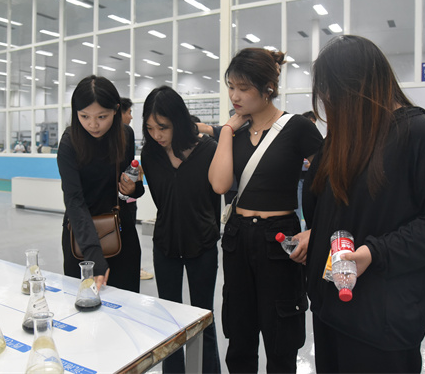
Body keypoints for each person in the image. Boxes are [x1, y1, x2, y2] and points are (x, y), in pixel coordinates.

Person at [303, 35, 425, 373]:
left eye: (334, 93)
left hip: (381, 321)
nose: (328, 103)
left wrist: (376, 252)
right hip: (329, 307)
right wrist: (315, 233)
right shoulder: (342, 137)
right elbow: (328, 205)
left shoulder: (419, 135)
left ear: (359, 88)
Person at [208, 47, 323, 373]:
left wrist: (315, 230)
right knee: (239, 334)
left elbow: (330, 181)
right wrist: (226, 131)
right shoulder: (235, 132)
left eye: (243, 88)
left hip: (279, 240)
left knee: (281, 337)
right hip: (237, 238)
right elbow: (219, 184)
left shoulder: (296, 127)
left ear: (267, 88)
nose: (234, 96)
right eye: (231, 87)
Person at [141, 86, 221, 373]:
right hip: (166, 246)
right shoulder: (150, 154)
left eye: (163, 127)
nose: (157, 135)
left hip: (203, 245)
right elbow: (162, 200)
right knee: (169, 324)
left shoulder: (209, 150)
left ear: (179, 121)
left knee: (203, 319)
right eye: (150, 128)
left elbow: (215, 197)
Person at [57, 76, 143, 292]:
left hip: (121, 231)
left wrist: (134, 190)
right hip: (81, 235)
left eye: (102, 116)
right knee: (84, 302)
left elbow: (128, 191)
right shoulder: (69, 142)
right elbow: (74, 201)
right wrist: (93, 253)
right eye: (84, 116)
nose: (93, 124)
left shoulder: (125, 135)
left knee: (126, 302)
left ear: (115, 110)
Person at [120, 97, 154, 281]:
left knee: (129, 235)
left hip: (129, 197)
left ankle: (134, 267)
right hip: (120, 202)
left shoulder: (127, 134)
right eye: (129, 112)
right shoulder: (124, 135)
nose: (131, 117)